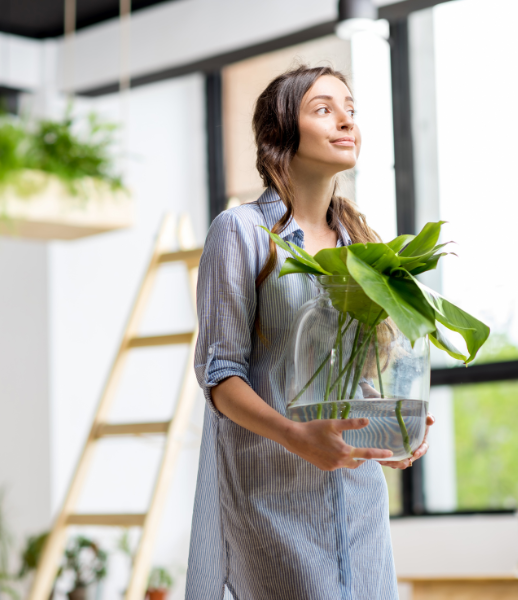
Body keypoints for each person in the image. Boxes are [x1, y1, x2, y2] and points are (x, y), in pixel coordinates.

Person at [184, 65, 435, 600]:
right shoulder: (241, 232)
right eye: (324, 109)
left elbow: (356, 379)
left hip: (360, 501)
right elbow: (219, 375)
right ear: (282, 133)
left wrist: (390, 434)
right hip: (274, 500)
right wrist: (298, 437)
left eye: (350, 109)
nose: (345, 120)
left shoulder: (361, 245)